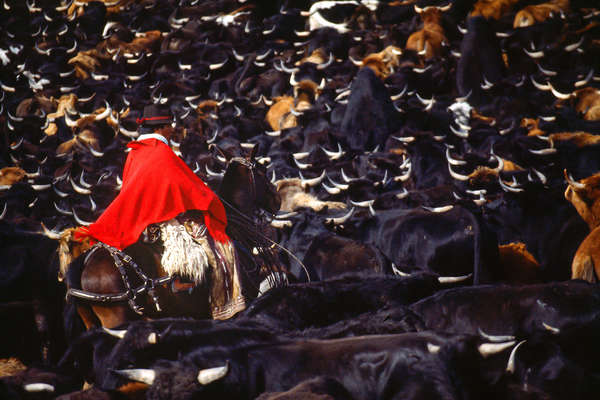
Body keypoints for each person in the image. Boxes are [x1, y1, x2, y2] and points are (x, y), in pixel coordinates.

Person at [75, 104, 246, 320]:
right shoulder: (161, 152)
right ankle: (224, 306)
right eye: (170, 127)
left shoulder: (135, 152)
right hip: (164, 218)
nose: (172, 131)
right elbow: (184, 186)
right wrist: (208, 198)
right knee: (221, 246)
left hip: (139, 218)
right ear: (163, 128)